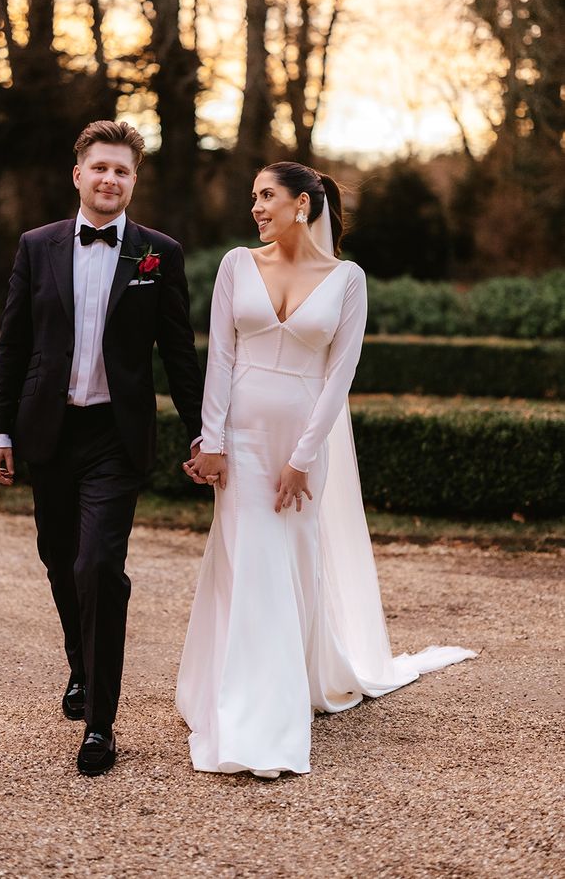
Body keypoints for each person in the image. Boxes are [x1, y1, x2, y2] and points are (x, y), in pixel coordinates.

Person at [179, 161, 475, 778]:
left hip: (302, 442)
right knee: (248, 559)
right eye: (253, 195)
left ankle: (301, 679)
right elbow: (220, 358)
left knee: (293, 558)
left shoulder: (348, 280)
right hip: (241, 436)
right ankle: (249, 712)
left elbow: (339, 379)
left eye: (267, 195)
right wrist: (210, 440)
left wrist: (302, 458)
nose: (256, 207)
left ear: (302, 205)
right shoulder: (237, 265)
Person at [0, 120, 203, 776]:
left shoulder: (157, 254)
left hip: (117, 435)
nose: (111, 179)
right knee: (59, 560)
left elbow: (179, 354)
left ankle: (101, 726)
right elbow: (13, 344)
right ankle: (81, 664)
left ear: (135, 182)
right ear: (78, 174)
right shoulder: (37, 246)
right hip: (49, 433)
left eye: (123, 171)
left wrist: (201, 430)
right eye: (101, 168)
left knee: (99, 567)